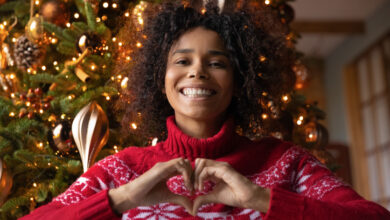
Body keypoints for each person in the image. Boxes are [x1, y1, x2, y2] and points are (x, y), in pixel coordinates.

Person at [21, 1, 390, 219]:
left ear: (239, 80)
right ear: (160, 78)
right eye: (182, 60)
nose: (197, 70)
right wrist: (123, 200)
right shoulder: (121, 171)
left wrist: (261, 200)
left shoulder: (288, 163)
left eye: (217, 63)